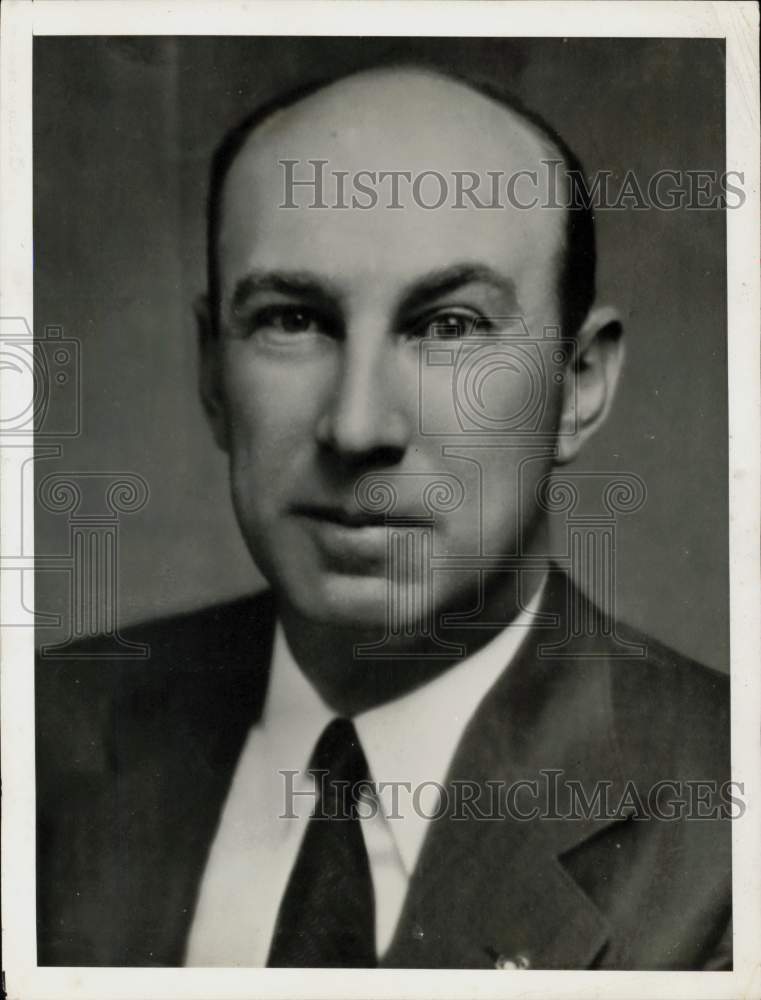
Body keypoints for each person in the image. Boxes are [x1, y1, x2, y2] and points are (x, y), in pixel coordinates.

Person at [36, 63, 731, 971]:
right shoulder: (40, 734)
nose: (358, 425)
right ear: (212, 370)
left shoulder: (726, 824)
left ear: (578, 386)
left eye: (450, 327)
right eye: (293, 319)